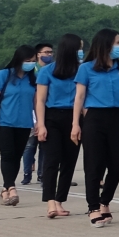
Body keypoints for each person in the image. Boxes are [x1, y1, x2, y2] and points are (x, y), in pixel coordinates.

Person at [71, 28, 119, 227]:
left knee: (118, 163)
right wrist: (75, 124)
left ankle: (105, 201)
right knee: (94, 164)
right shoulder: (86, 68)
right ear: (105, 45)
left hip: (118, 118)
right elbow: (79, 97)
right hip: (95, 118)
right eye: (117, 42)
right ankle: (93, 207)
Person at [34, 34, 86, 217]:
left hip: (75, 118)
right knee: (51, 160)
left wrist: (77, 123)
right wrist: (41, 125)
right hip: (52, 118)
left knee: (69, 161)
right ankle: (50, 202)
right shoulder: (47, 71)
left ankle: (59, 200)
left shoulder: (82, 70)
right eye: (79, 47)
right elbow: (40, 100)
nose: (82, 51)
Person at [0, 45, 39, 207]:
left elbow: (36, 102)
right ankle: (12, 187)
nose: (30, 64)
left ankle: (5, 189)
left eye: (33, 61)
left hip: (24, 123)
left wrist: (38, 122)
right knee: (8, 154)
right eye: (27, 61)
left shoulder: (32, 78)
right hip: (4, 122)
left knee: (17, 156)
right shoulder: (4, 75)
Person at [20, 43, 52, 189]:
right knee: (30, 145)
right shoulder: (32, 70)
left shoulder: (52, 69)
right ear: (38, 54)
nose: (49, 55)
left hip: (46, 110)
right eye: (46, 52)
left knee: (44, 146)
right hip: (32, 110)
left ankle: (42, 174)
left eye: (51, 52)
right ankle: (27, 174)